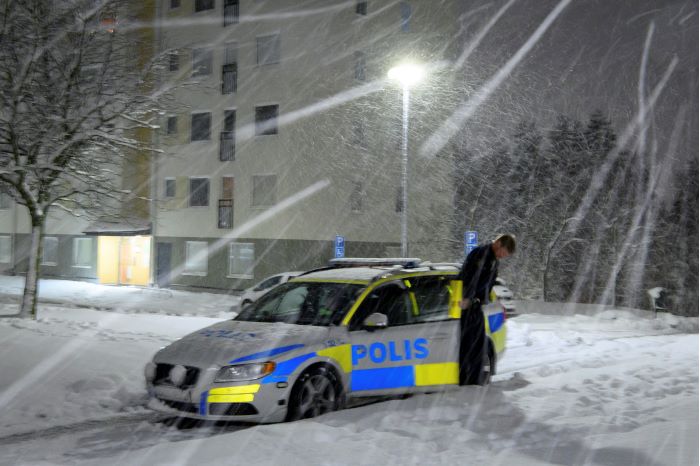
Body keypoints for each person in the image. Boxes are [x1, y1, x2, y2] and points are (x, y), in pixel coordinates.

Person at [457, 234, 515, 385]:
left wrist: (483, 299)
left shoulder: (493, 261)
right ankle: (467, 380)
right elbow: (470, 277)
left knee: (478, 344)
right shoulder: (481, 254)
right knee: (469, 344)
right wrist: (468, 298)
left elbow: (488, 283)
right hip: (467, 306)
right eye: (504, 252)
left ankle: (475, 380)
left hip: (476, 306)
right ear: (498, 244)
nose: (503, 256)